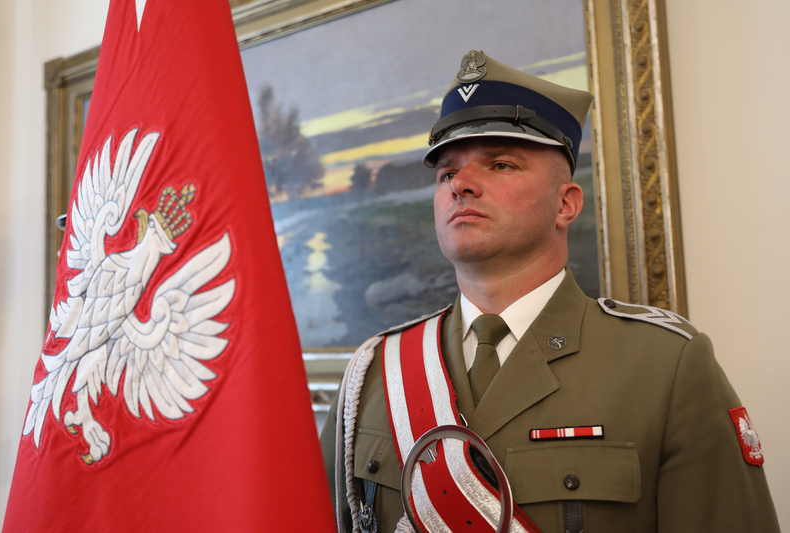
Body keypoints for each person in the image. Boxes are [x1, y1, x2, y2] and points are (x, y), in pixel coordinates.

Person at [320, 50, 779, 533]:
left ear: (566, 205)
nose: (462, 185)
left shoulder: (667, 368)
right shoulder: (373, 375)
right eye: (447, 173)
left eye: (499, 164)